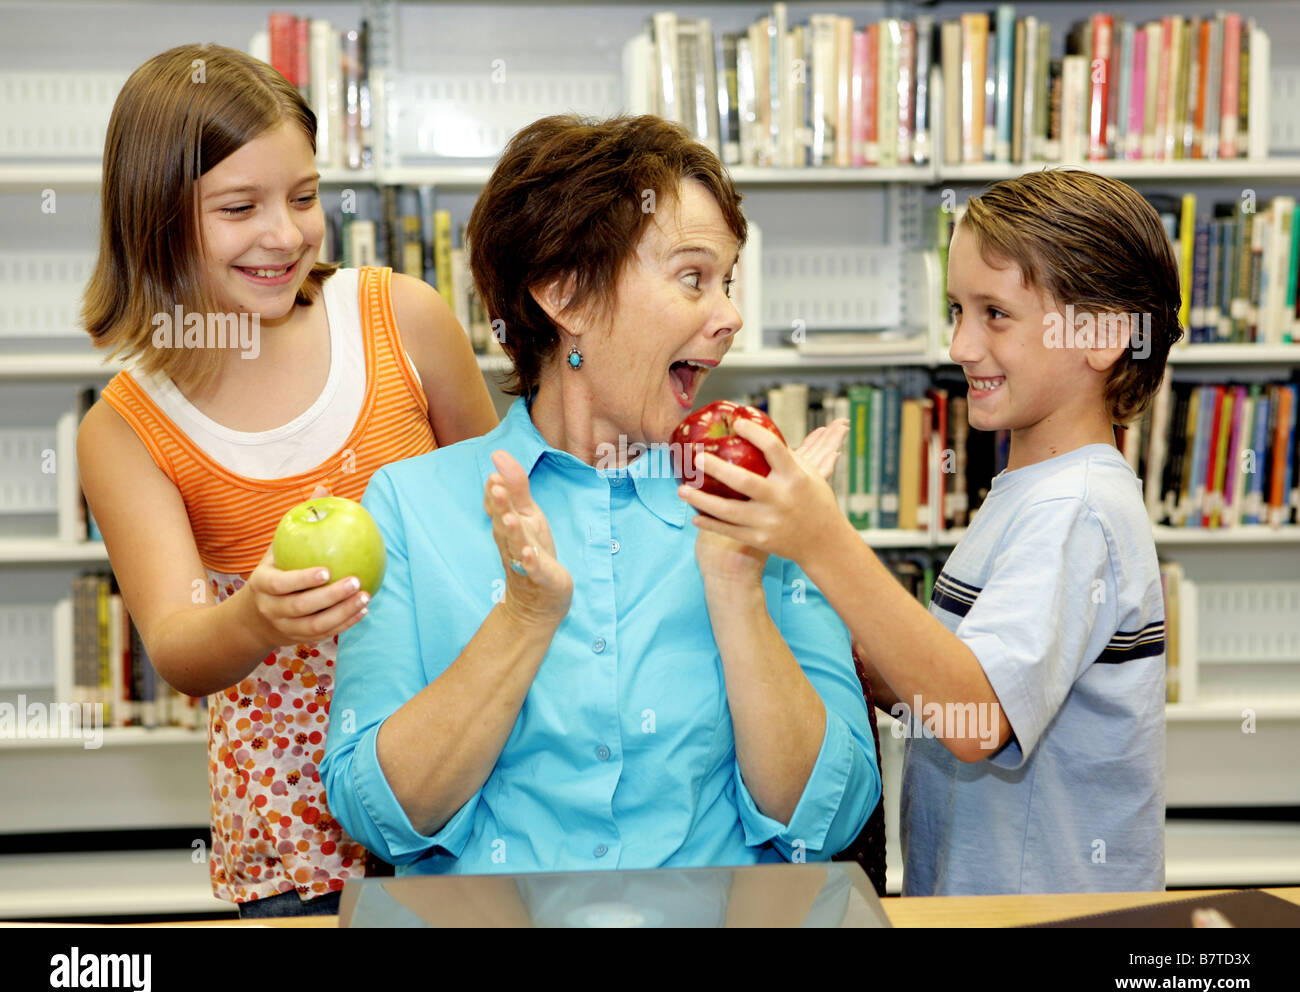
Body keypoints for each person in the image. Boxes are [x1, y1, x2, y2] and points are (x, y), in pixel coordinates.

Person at [320, 113, 881, 874]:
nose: (731, 317)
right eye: (693, 277)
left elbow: (827, 815)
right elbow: (380, 815)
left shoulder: (769, 500)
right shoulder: (409, 506)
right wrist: (522, 621)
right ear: (567, 294)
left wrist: (737, 585)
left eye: (728, 282)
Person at [76, 44, 498, 917]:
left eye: (304, 197)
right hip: (293, 836)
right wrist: (256, 616)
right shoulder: (124, 429)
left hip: (473, 783)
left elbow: (504, 504)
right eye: (240, 207)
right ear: (154, 219)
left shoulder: (403, 319)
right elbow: (182, 645)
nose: (286, 233)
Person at [681, 169, 1177, 895]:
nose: (961, 344)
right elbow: (951, 682)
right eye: (956, 309)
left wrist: (823, 541)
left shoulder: (1078, 509)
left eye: (995, 314)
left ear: (1101, 335)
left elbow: (975, 716)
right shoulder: (1026, 493)